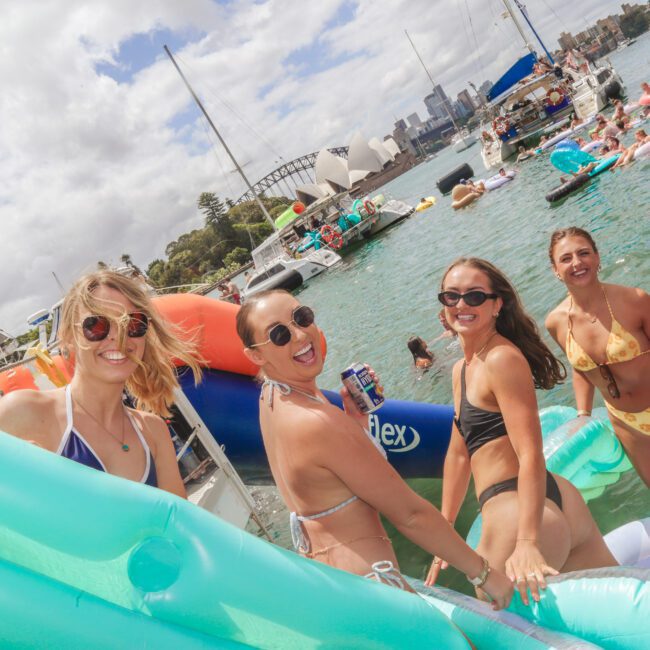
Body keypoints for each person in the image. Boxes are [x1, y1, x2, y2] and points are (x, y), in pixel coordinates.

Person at [236, 289, 513, 607]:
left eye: (302, 317)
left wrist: (357, 425)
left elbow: (325, 481)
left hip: (332, 584)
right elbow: (410, 514)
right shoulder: (318, 422)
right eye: (279, 334)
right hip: (374, 590)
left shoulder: (270, 400)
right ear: (255, 356)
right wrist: (485, 575)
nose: (299, 334)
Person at [426, 258, 617, 604]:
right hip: (551, 501)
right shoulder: (463, 369)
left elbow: (530, 451)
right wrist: (445, 528)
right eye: (451, 296)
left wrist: (526, 542)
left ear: (497, 304)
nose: (461, 305)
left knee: (505, 634)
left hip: (517, 516)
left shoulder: (501, 359)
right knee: (625, 609)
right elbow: (458, 453)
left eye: (474, 296)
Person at [0, 270, 203, 496]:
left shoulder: (154, 432)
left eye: (133, 324)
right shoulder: (22, 412)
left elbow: (176, 524)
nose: (119, 337)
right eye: (96, 325)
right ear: (69, 337)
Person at [546, 228, 650, 486]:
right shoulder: (556, 322)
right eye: (566, 258)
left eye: (584, 253)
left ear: (597, 257)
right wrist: (584, 413)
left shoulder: (634, 300)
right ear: (555, 270)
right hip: (627, 423)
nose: (577, 263)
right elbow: (582, 368)